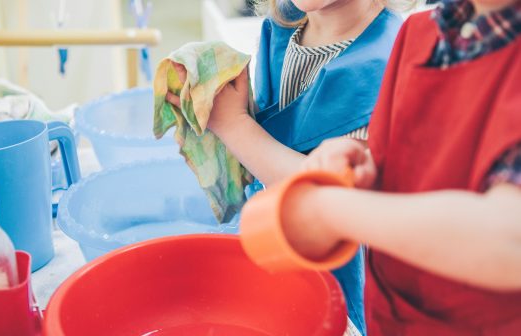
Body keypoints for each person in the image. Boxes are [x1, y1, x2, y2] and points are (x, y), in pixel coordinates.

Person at [263, 0, 521, 334]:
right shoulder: (420, 33)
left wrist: (333, 210)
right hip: (388, 317)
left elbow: (507, 241)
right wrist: (365, 164)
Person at [166, 0, 412, 333]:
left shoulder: (387, 65)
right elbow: (279, 136)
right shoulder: (283, 26)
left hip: (342, 280)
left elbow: (330, 199)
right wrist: (226, 95)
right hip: (275, 245)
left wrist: (234, 124)